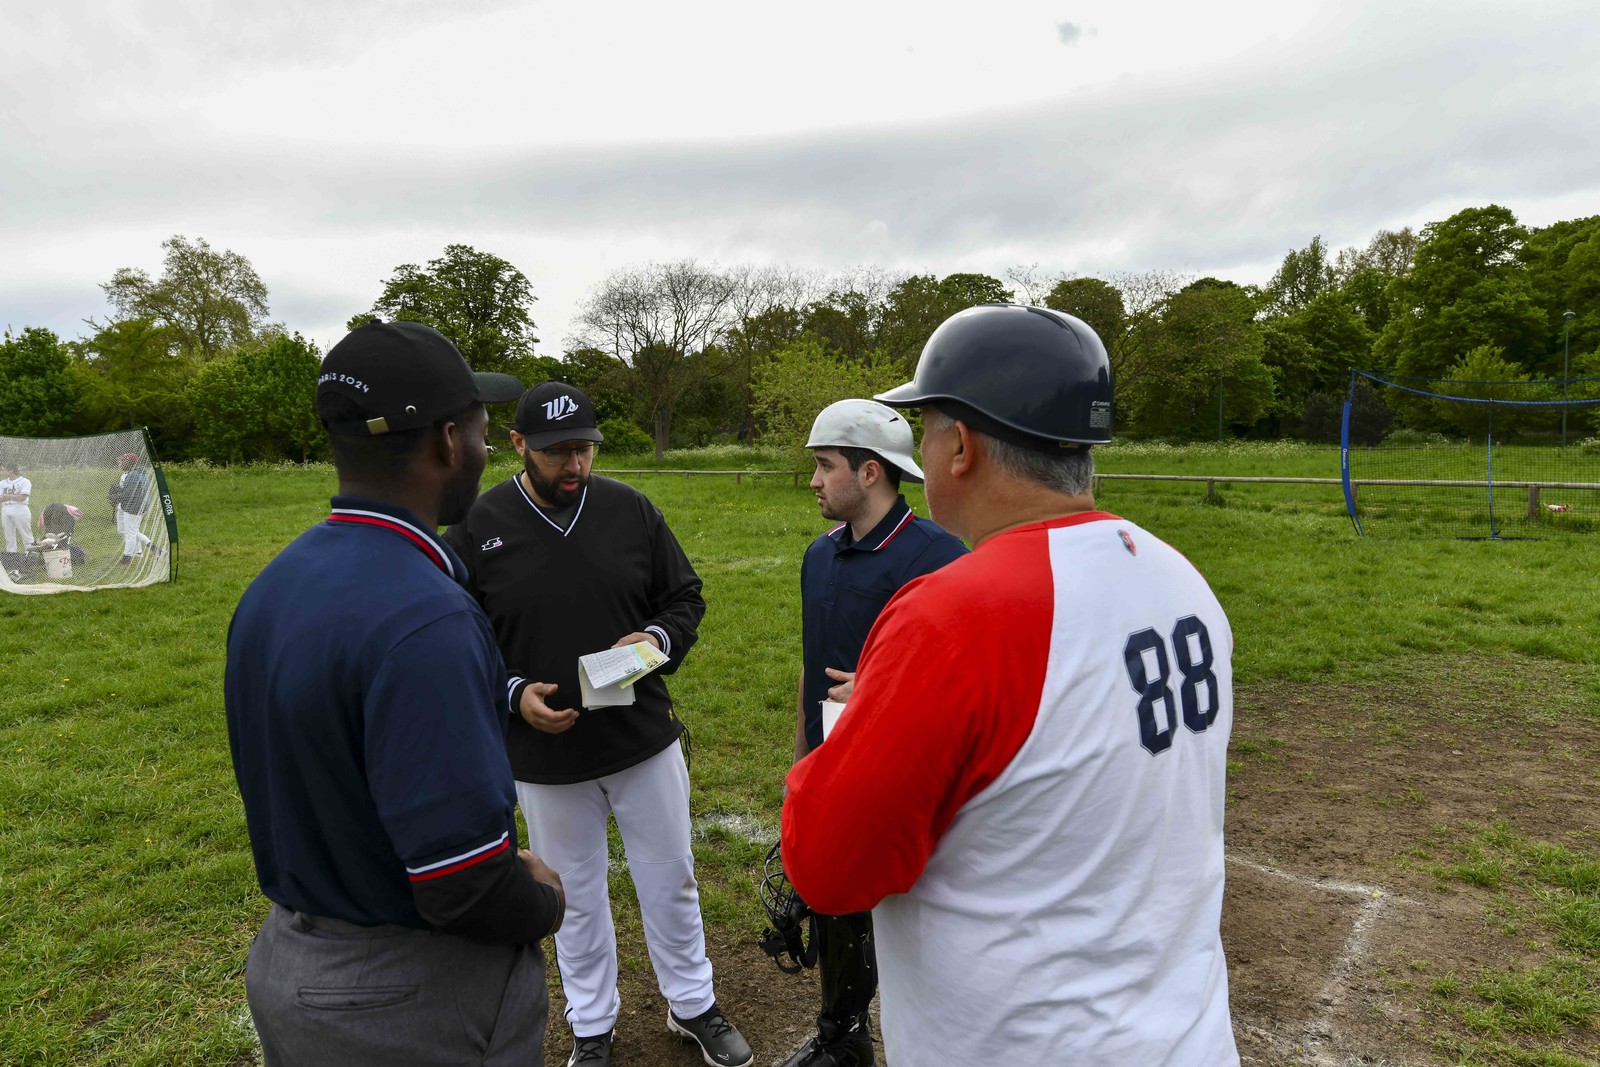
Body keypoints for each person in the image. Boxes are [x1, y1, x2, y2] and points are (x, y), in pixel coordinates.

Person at [781, 305, 1240, 1067]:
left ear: (961, 446)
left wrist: (867, 721)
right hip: (1186, 1035)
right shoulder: (1180, 575)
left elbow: (831, 866)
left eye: (927, 427)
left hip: (1023, 1040)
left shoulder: (955, 611)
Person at [224, 319, 566, 1066]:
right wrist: (543, 897)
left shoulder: (275, 583)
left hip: (292, 957)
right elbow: (462, 883)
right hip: (404, 993)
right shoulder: (427, 617)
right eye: (480, 428)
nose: (483, 446)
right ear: (448, 442)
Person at [445, 381, 752, 1067]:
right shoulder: (478, 525)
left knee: (671, 878)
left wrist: (656, 640)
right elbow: (457, 638)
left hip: (641, 737)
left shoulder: (628, 508)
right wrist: (512, 693)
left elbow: (684, 596)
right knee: (572, 895)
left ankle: (693, 1002)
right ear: (518, 444)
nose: (574, 464)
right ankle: (591, 1024)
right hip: (543, 754)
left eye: (583, 448)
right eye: (556, 451)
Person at [782, 399, 966, 1067]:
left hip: (903, 776)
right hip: (835, 767)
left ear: (869, 472)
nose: (813, 480)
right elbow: (813, 663)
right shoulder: (819, 554)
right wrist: (802, 758)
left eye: (824, 465)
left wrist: (884, 687)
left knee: (915, 918)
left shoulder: (937, 555)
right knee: (835, 901)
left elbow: (964, 674)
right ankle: (843, 1035)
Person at [109, 452, 155, 563]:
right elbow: (130, 491)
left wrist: (114, 496)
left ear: (129, 463)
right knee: (127, 531)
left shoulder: (133, 475)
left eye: (122, 461)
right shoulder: (134, 473)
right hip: (132, 505)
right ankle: (153, 548)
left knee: (130, 533)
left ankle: (127, 558)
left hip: (133, 506)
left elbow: (129, 494)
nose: (120, 463)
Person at [0, 461, 32, 554]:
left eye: (3, 470)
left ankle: (30, 555)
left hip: (20, 508)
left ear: (11, 470)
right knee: (8, 535)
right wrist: (13, 496)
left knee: (26, 534)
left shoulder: (25, 481)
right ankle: (11, 556)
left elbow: (22, 497)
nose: (1, 472)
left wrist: (9, 496)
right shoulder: (2, 483)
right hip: (5, 508)